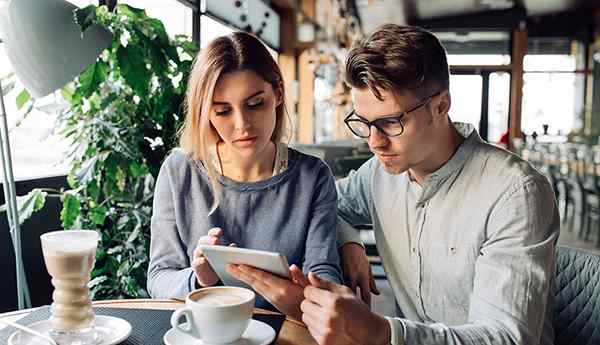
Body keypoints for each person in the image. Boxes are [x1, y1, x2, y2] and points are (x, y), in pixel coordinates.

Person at [232, 24, 559, 345]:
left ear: (441, 106)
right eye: (364, 123)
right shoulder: (378, 174)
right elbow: (328, 204)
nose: (374, 142)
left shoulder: (516, 194)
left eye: (390, 122)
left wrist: (380, 332)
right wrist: (350, 242)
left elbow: (507, 337)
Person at [146, 32, 344, 321]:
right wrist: (199, 279)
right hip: (208, 333)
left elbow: (325, 275)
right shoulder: (179, 171)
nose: (242, 125)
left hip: (288, 329)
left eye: (255, 104)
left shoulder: (312, 176)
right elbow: (159, 278)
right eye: (223, 111)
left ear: (277, 93)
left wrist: (304, 293)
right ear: (206, 114)